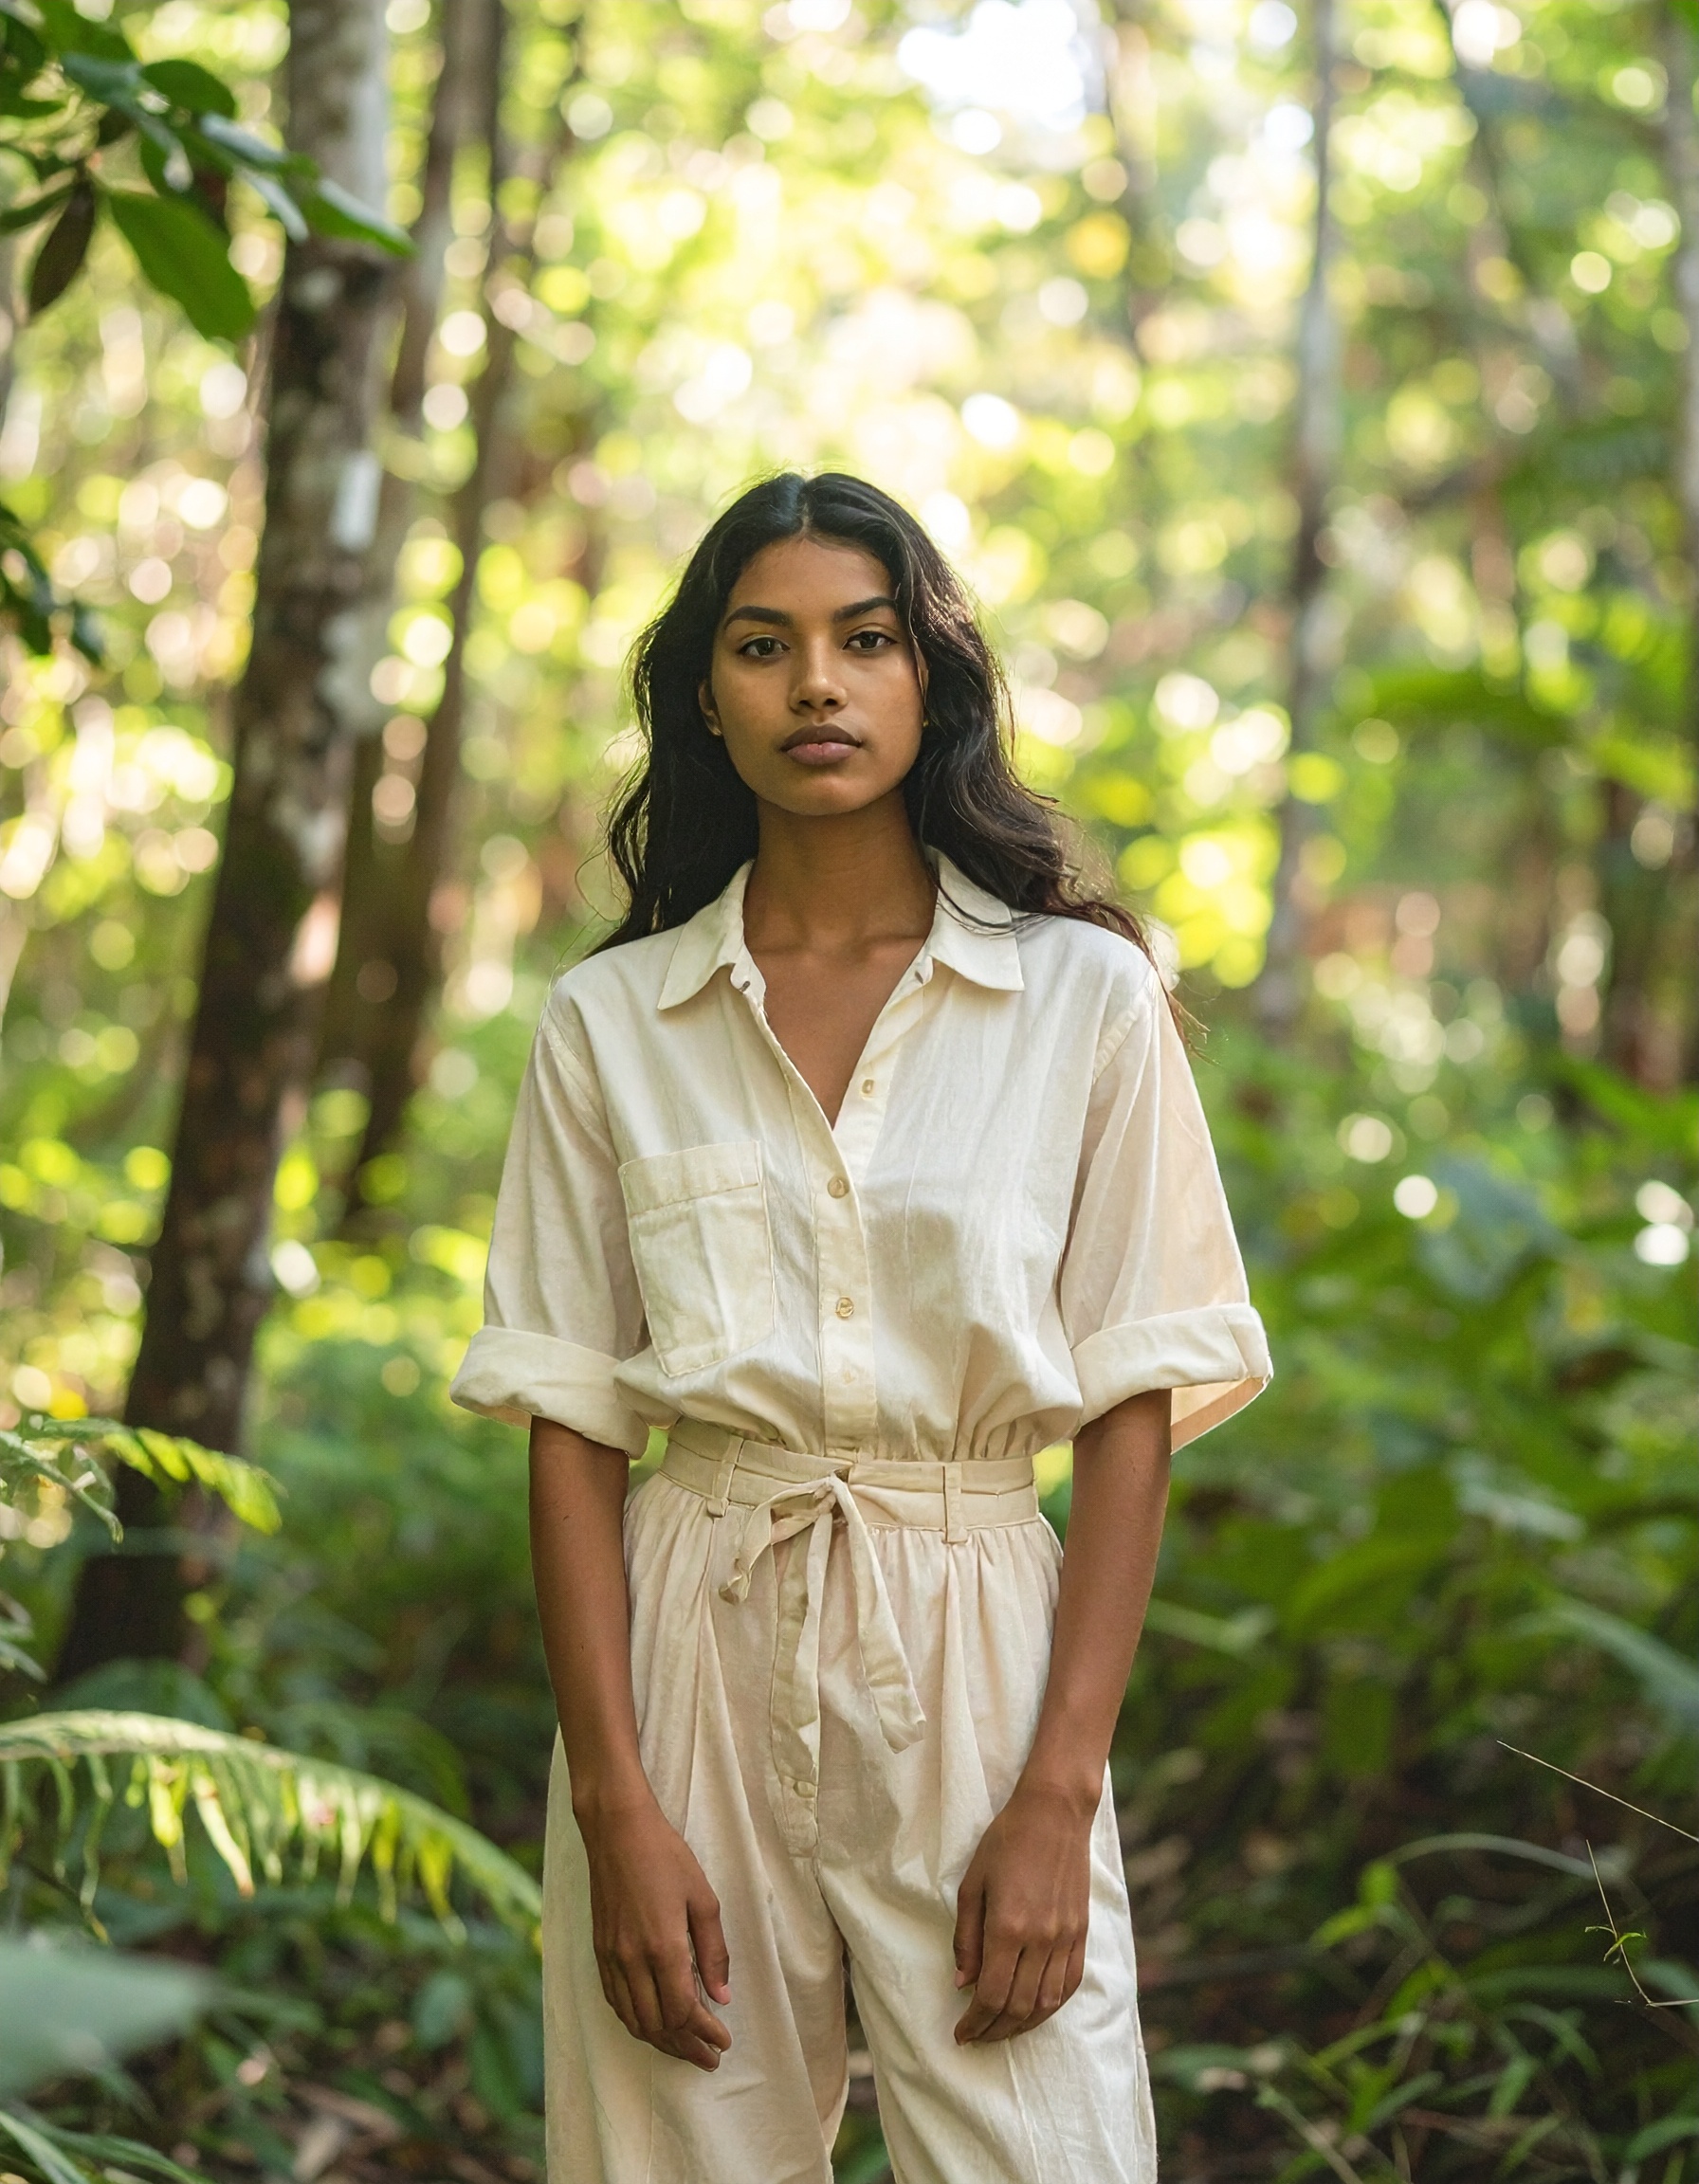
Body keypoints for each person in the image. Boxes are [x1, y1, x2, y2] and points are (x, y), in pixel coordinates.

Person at [450, 471, 1270, 2184]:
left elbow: (1135, 1402)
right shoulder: (614, 1021)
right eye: (765, 646)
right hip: (690, 1639)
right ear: (707, 695)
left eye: (865, 639)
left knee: (1051, 2148)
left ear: (931, 680)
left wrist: (1057, 1793)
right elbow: (575, 1421)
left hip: (979, 1639)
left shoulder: (1079, 997)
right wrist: (615, 1805)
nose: (816, 683)